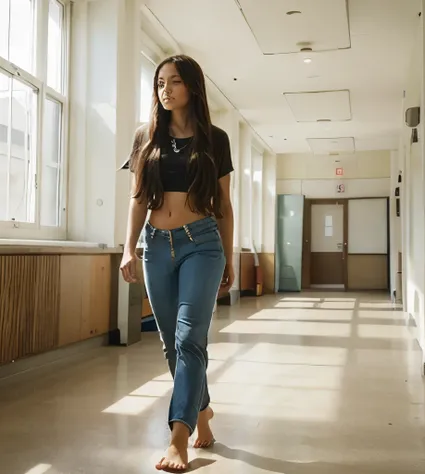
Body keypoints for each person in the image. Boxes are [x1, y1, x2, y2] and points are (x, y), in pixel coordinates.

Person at [120, 54, 234, 472]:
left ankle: (178, 438)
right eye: (159, 83)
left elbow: (223, 204)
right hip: (156, 244)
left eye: (174, 82)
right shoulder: (144, 137)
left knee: (190, 339)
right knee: (172, 343)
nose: (165, 90)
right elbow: (136, 200)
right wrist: (128, 248)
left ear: (193, 88)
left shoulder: (216, 140)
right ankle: (202, 412)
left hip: (201, 244)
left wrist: (229, 253)